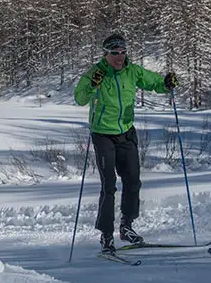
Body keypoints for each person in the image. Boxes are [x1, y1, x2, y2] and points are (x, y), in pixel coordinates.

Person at [74, 32, 178, 253]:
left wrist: (167, 83)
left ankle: (127, 226)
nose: (120, 57)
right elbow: (80, 98)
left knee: (132, 181)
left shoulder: (133, 71)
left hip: (126, 132)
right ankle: (106, 235)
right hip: (102, 134)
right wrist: (92, 85)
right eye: (115, 53)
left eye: (123, 52)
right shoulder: (97, 73)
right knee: (109, 185)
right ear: (106, 54)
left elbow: (155, 83)